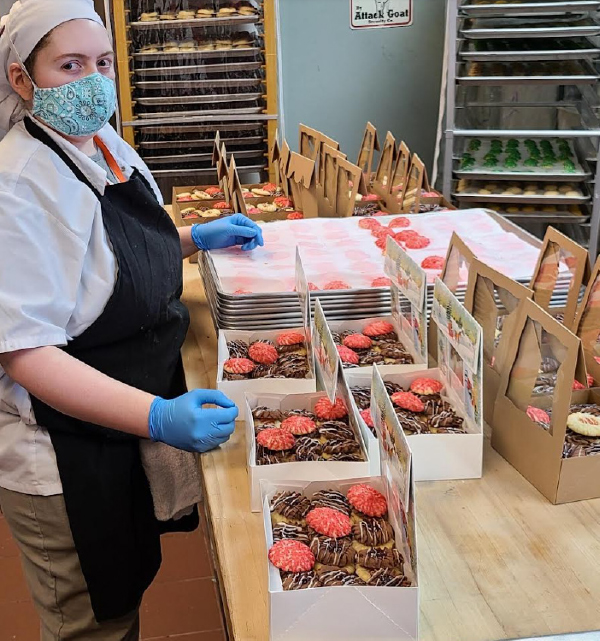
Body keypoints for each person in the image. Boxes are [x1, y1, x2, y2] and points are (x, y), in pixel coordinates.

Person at [0, 1, 264, 639]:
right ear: (20, 79)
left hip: (110, 428)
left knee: (123, 594)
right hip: (62, 452)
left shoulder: (100, 144)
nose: (93, 82)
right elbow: (25, 354)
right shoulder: (17, 186)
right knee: (93, 619)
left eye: (102, 63)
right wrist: (159, 416)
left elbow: (104, 258)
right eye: (69, 65)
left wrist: (191, 238)